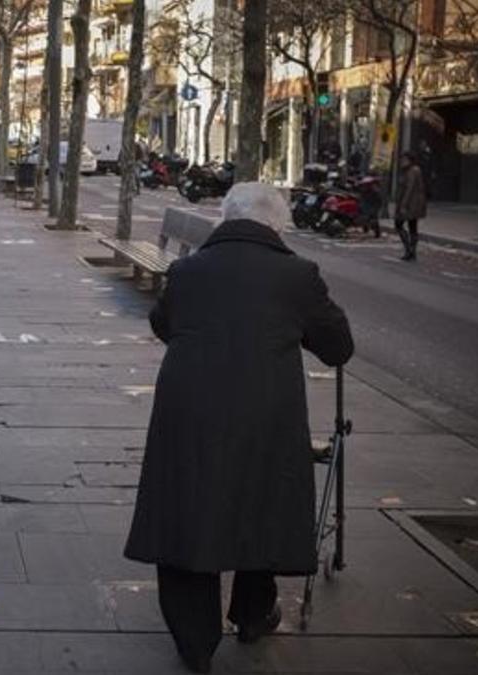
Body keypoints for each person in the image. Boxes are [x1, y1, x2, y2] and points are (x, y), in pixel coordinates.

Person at [123, 182, 353, 674]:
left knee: (189, 508)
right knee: (261, 503)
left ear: (226, 219)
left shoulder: (188, 270)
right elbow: (337, 346)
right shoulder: (297, 274)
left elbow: (163, 323)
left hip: (190, 407)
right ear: (276, 225)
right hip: (265, 410)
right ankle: (252, 614)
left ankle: (194, 640)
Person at [395, 151, 427, 262]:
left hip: (411, 204)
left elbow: (409, 188)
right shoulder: (409, 170)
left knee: (399, 224)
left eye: (404, 159)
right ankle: (411, 251)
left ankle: (409, 250)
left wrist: (403, 205)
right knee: (412, 226)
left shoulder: (412, 171)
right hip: (413, 203)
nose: (401, 161)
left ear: (409, 160)